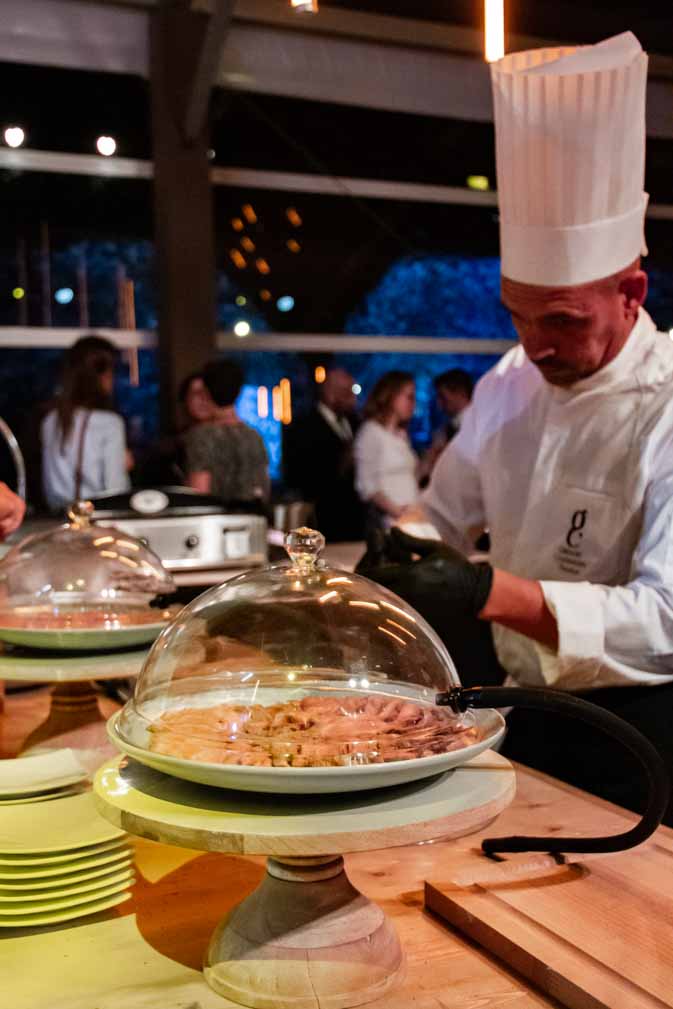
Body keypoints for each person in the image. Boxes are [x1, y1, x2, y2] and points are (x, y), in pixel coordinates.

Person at [358, 33, 673, 820]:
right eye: (517, 315)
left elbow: (663, 621)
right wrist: (407, 546)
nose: (535, 344)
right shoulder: (509, 379)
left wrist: (484, 587)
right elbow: (442, 509)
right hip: (512, 710)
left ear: (631, 291)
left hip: (636, 732)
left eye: (562, 320)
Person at [41, 336, 130, 512]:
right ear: (103, 376)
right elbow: (116, 490)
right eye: (113, 373)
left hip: (57, 520)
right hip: (95, 519)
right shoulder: (109, 423)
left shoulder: (50, 420)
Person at [283, 367, 364, 542]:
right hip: (322, 516)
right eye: (345, 392)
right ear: (330, 393)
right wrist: (342, 461)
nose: (352, 398)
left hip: (355, 517)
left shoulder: (356, 422)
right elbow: (297, 474)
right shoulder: (304, 426)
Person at [184, 359, 269, 504]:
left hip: (219, 522)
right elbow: (263, 489)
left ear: (207, 393)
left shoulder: (202, 436)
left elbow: (199, 495)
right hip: (253, 519)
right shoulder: (254, 435)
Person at [354, 371, 419, 532]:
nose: (413, 403)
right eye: (409, 397)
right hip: (390, 523)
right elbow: (367, 486)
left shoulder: (400, 434)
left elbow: (408, 476)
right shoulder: (371, 432)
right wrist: (399, 513)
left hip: (412, 518)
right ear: (391, 395)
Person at [421, 369, 475, 481]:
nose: (439, 404)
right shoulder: (445, 430)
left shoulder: (479, 424)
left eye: (442, 396)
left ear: (460, 393)